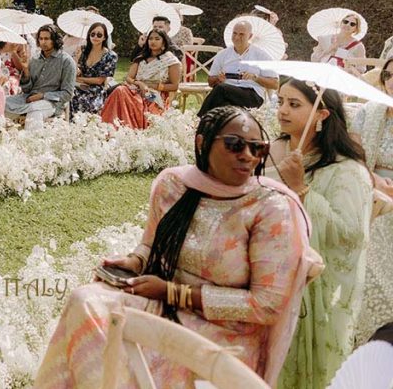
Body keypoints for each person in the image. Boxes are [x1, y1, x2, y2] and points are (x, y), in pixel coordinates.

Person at [34, 107, 317, 388]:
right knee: (85, 301)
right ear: (202, 143)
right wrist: (134, 262)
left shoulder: (271, 208)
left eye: (258, 148)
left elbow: (266, 306)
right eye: (234, 144)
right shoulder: (174, 185)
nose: (247, 156)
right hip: (163, 308)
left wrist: (173, 292)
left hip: (225, 334)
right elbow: (152, 244)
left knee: (144, 353)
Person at [266, 80, 372, 389]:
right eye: (281, 101)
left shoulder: (347, 169)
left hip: (312, 288)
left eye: (294, 104)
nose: (283, 110)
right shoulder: (270, 150)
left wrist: (301, 189)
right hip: (266, 271)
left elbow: (350, 235)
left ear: (321, 115)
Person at [351, 58, 393, 344]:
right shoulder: (369, 111)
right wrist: (372, 180)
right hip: (369, 193)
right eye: (389, 74)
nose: (392, 80)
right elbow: (353, 155)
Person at [197, 20, 279, 116]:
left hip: (251, 95)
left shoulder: (261, 55)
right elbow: (210, 82)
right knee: (224, 105)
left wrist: (255, 77)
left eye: (241, 34)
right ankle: (208, 127)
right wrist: (218, 79)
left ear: (250, 36)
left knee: (221, 90)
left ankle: (199, 120)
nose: (236, 37)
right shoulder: (223, 54)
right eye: (234, 33)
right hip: (227, 93)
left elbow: (275, 84)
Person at [102, 28, 180, 129]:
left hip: (154, 95)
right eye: (150, 39)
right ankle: (109, 127)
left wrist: (150, 86)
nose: (153, 41)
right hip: (136, 89)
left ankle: (129, 129)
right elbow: (129, 77)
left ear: (164, 42)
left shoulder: (171, 61)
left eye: (157, 39)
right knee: (119, 90)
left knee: (135, 98)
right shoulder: (141, 58)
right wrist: (140, 84)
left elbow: (174, 86)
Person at [5, 25, 76, 130]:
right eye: (41, 38)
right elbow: (27, 90)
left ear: (55, 40)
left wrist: (43, 96)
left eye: (47, 39)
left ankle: (31, 143)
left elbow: (68, 94)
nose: (43, 42)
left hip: (52, 103)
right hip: (28, 99)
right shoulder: (35, 59)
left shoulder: (67, 61)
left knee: (34, 110)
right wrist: (25, 70)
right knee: (1, 102)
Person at [71, 23, 118, 115]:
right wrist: (77, 59)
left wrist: (79, 79)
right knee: (69, 95)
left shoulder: (111, 56)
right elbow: (75, 71)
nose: (95, 37)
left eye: (99, 35)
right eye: (92, 34)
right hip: (79, 86)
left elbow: (99, 81)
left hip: (95, 90)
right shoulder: (82, 50)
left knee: (84, 102)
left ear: (104, 38)